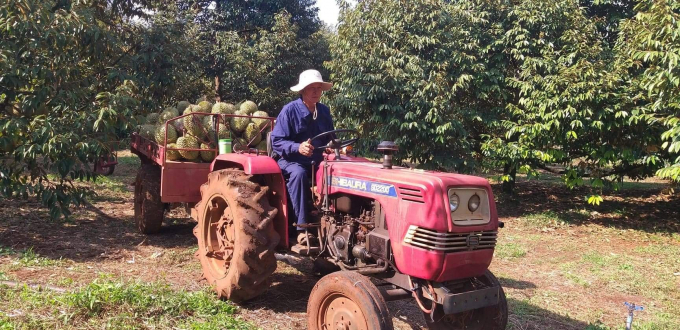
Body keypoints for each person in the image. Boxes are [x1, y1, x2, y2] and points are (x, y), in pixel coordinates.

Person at [271, 69, 334, 245]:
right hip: (290, 160)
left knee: (336, 171)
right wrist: (297, 147)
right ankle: (301, 228)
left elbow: (331, 138)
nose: (315, 91)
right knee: (298, 174)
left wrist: (334, 147)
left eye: (318, 88)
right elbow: (277, 141)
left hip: (316, 159)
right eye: (311, 88)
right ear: (302, 91)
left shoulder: (324, 111)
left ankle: (331, 221)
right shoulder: (289, 110)